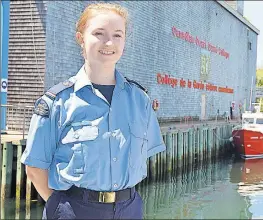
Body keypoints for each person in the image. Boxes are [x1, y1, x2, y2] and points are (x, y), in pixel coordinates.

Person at [20, 3, 166, 219]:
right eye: (99, 33)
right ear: (81, 38)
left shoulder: (140, 101)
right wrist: (59, 208)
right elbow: (34, 167)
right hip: (75, 210)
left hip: (130, 209)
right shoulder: (57, 102)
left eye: (118, 35)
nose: (109, 42)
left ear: (125, 41)